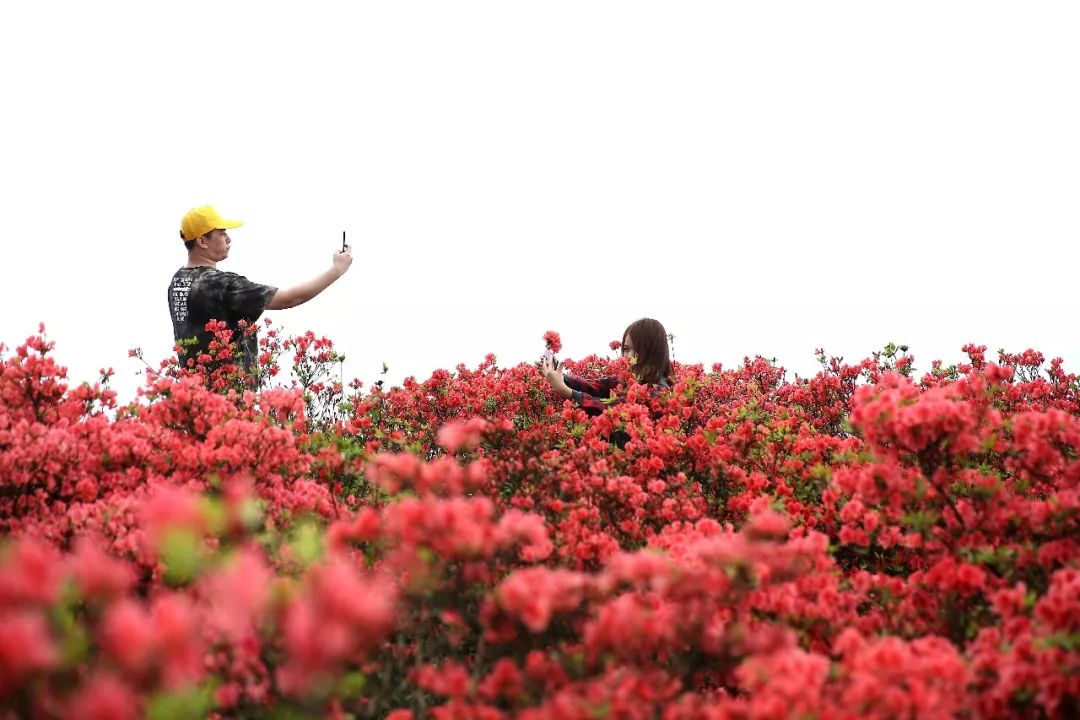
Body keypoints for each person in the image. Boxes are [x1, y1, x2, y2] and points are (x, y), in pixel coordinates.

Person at [168, 205, 353, 370]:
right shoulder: (222, 284)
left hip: (191, 397)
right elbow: (290, 298)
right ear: (202, 242)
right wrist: (336, 270)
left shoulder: (176, 282)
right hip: (227, 399)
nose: (228, 239)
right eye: (222, 233)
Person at [538, 318, 673, 416]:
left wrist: (567, 392)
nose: (629, 356)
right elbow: (594, 386)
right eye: (626, 349)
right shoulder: (626, 380)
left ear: (653, 352)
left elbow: (615, 410)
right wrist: (559, 376)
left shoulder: (660, 391)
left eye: (638, 350)